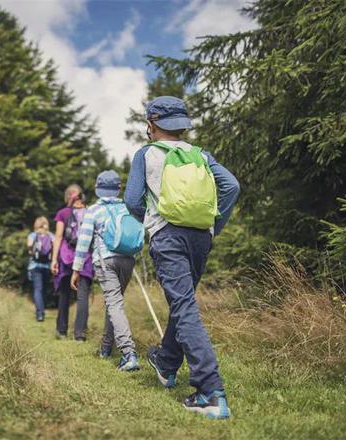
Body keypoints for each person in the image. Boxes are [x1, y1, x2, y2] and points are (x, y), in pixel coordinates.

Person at [125, 96, 240, 420]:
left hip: (168, 235)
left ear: (151, 124)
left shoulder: (146, 154)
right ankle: (166, 363)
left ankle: (211, 391)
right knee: (184, 302)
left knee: (184, 306)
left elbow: (132, 200)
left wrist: (150, 220)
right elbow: (231, 187)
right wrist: (214, 226)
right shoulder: (200, 154)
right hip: (201, 236)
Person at [71, 170, 142, 371]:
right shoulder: (127, 208)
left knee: (114, 304)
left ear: (98, 189)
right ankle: (105, 348)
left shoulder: (93, 210)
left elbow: (83, 242)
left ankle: (128, 353)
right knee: (115, 303)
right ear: (118, 189)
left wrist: (76, 270)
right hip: (127, 260)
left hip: (105, 260)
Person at [51, 184, 93, 341]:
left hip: (65, 256)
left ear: (67, 197)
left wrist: (54, 259)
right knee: (82, 295)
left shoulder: (62, 213)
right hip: (85, 257)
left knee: (64, 294)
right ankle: (80, 334)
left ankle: (62, 330)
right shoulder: (89, 212)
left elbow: (59, 237)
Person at [27, 217, 54, 322]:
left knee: (37, 289)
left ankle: (39, 314)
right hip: (47, 266)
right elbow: (56, 245)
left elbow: (29, 245)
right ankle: (42, 310)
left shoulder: (33, 235)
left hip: (35, 265)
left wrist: (31, 251)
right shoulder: (50, 235)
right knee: (44, 289)